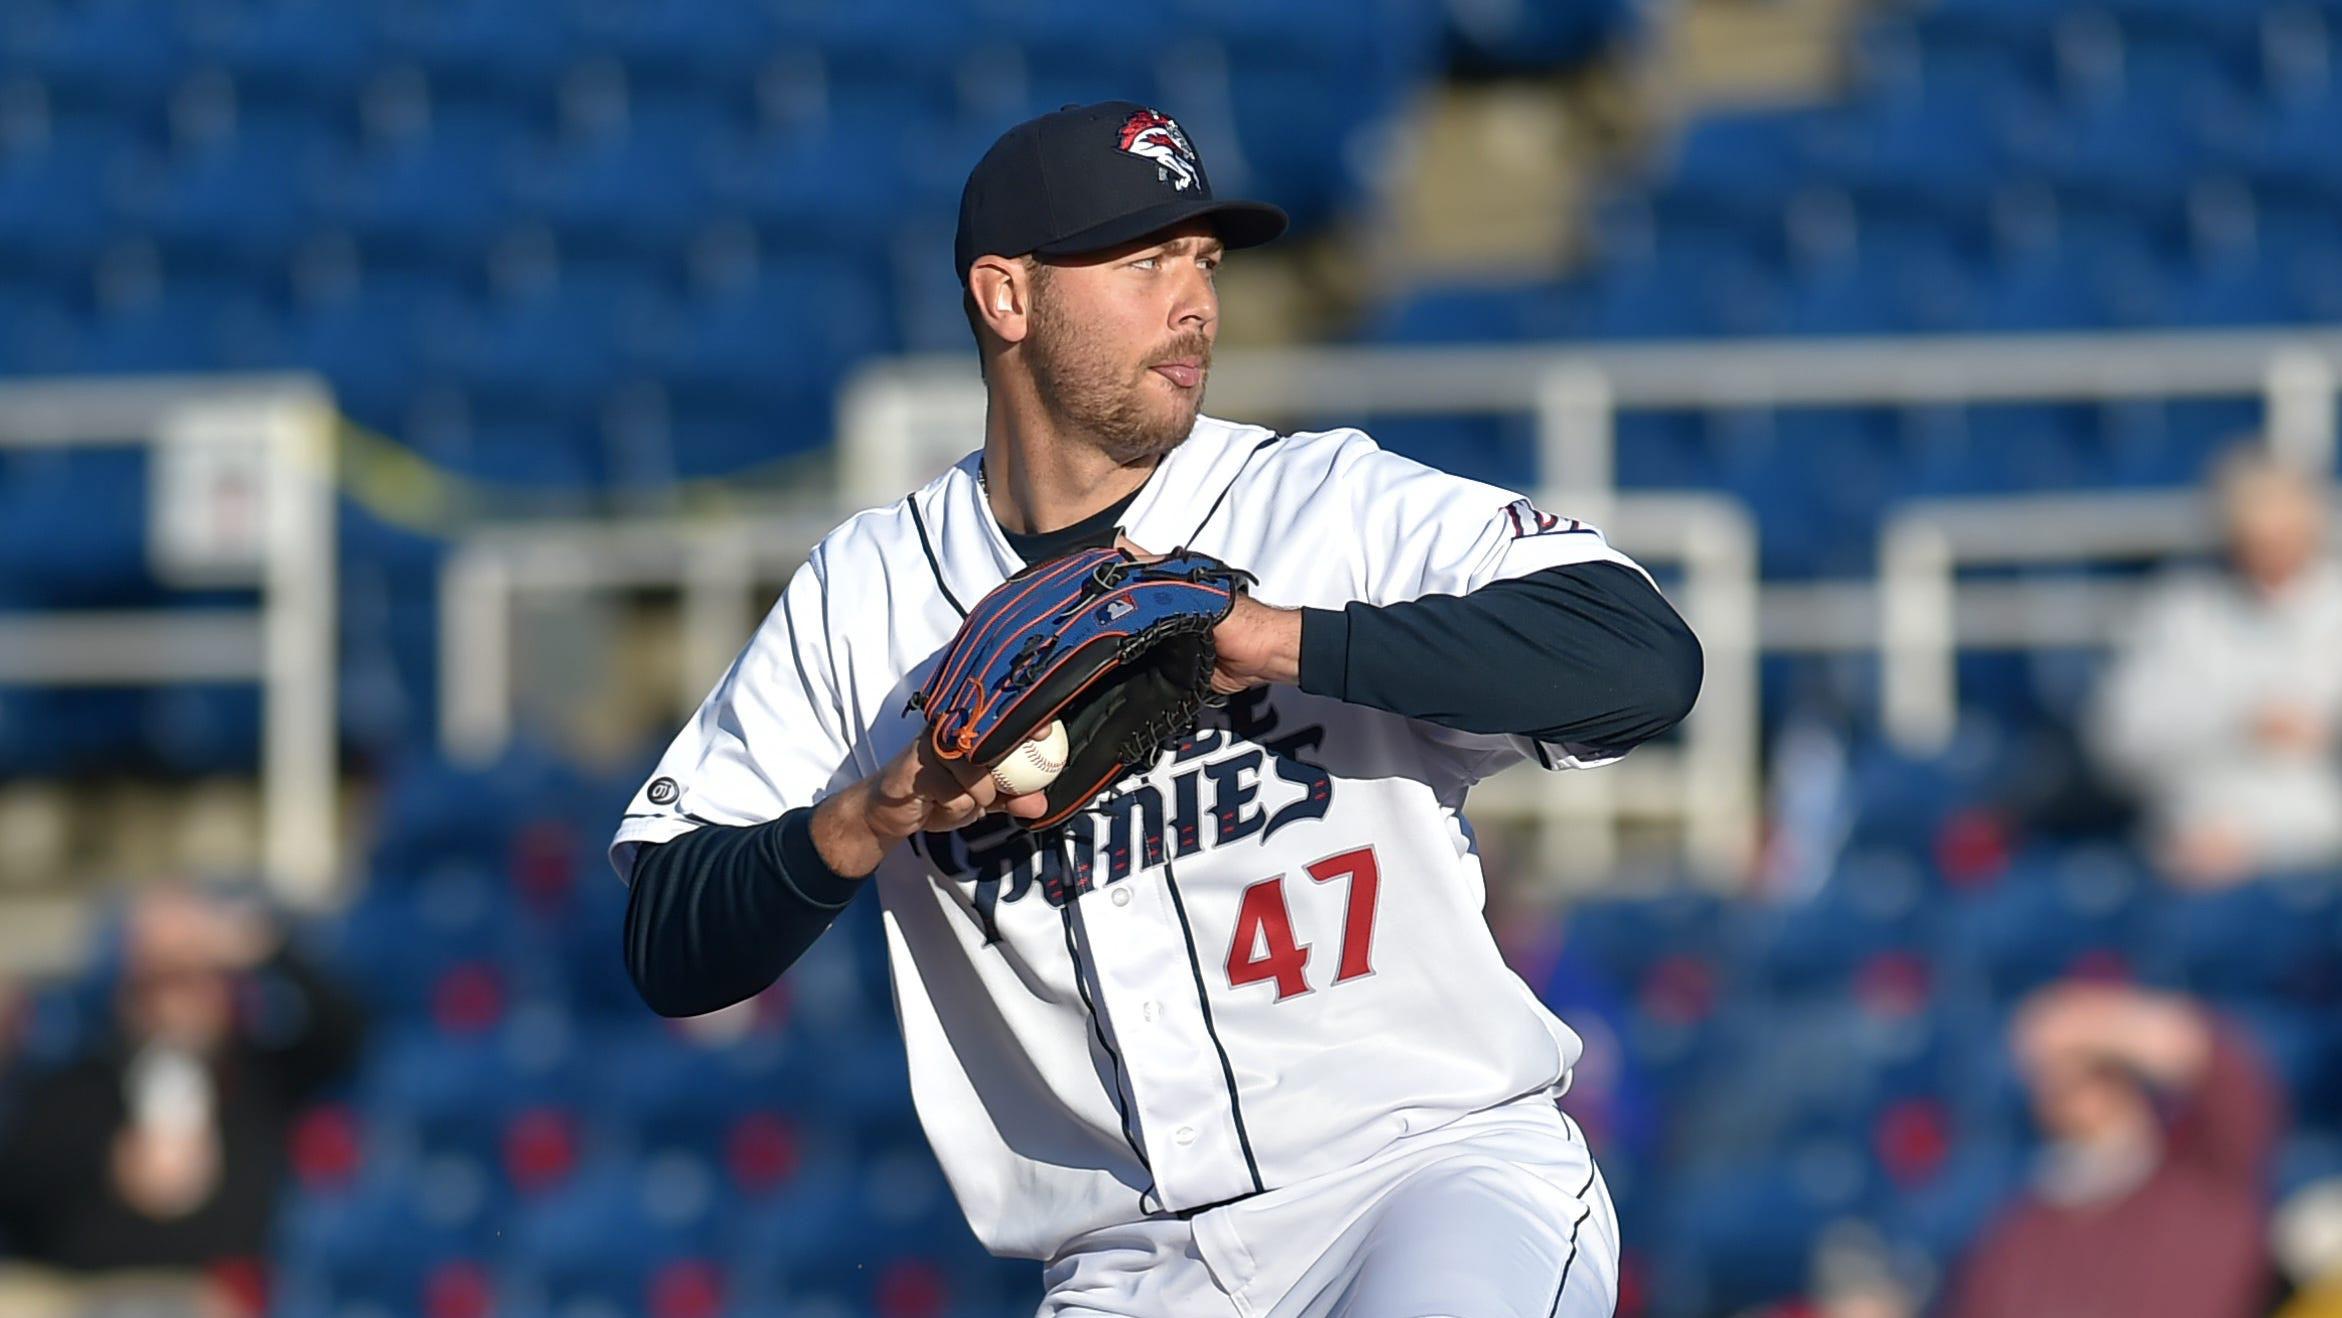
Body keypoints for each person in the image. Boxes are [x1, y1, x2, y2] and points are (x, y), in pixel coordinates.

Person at [614, 101, 1702, 1316]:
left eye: (1203, 261)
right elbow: (669, 938)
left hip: (1426, 1179)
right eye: (1143, 263)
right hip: (1130, 1266)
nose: (1194, 304)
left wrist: (1273, 637)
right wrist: (877, 811)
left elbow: (1641, 658)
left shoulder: (1318, 504)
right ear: (1005, 298)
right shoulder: (867, 598)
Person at [0, 884, 365, 1284]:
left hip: (230, 1296)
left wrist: (259, 945)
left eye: (195, 979)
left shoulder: (262, 1076)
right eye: (157, 981)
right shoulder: (76, 1088)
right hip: (91, 1295)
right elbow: (24, 1193)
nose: (176, 1000)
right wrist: (109, 1164)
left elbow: (346, 1035)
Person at [1944, 981, 2280, 1318]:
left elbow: (2232, 1079)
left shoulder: (2205, 1183)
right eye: (2058, 1086)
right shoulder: (2018, 1235)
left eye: (2096, 1073)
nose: (2078, 1098)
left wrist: (2095, 1026)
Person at [2090, 444, 2342, 885]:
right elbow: (2123, 740)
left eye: (2285, 539)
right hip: (2204, 850)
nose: (2272, 558)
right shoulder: (2182, 615)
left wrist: (2323, 731)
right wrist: (2236, 726)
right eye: (2257, 542)